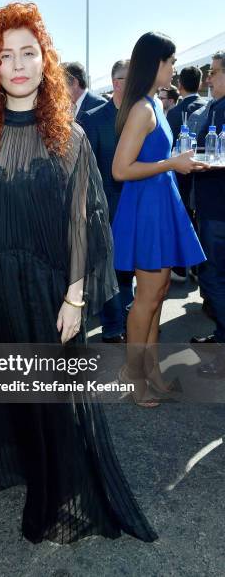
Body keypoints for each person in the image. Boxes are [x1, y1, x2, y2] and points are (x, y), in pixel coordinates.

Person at [0, 2, 157, 545]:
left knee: (41, 394)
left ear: (45, 62)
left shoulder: (71, 138)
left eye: (28, 53)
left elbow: (82, 223)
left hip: (43, 291)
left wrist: (76, 296)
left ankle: (44, 483)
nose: (17, 64)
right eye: (5, 55)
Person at [112, 32, 208, 407]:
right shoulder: (142, 109)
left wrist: (177, 163)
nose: (173, 67)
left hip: (159, 204)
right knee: (146, 299)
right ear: (156, 63)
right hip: (147, 209)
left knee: (159, 294)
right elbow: (120, 169)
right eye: (170, 61)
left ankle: (151, 369)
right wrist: (172, 163)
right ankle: (133, 375)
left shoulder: (154, 103)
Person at [80, 59, 133, 343]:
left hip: (137, 204)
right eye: (131, 78)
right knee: (113, 269)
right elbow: (83, 169)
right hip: (107, 206)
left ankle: (134, 319)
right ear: (116, 83)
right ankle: (114, 326)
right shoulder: (92, 118)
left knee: (132, 268)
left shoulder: (142, 114)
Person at [190, 51, 225, 348]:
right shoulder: (214, 106)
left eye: (214, 72)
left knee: (212, 277)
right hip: (211, 206)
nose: (209, 78)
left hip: (217, 209)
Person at [167, 66, 207, 283]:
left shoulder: (173, 113)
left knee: (182, 219)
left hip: (181, 175)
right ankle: (198, 268)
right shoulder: (209, 106)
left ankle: (182, 268)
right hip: (206, 175)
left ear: (180, 84)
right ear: (200, 84)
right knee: (201, 220)